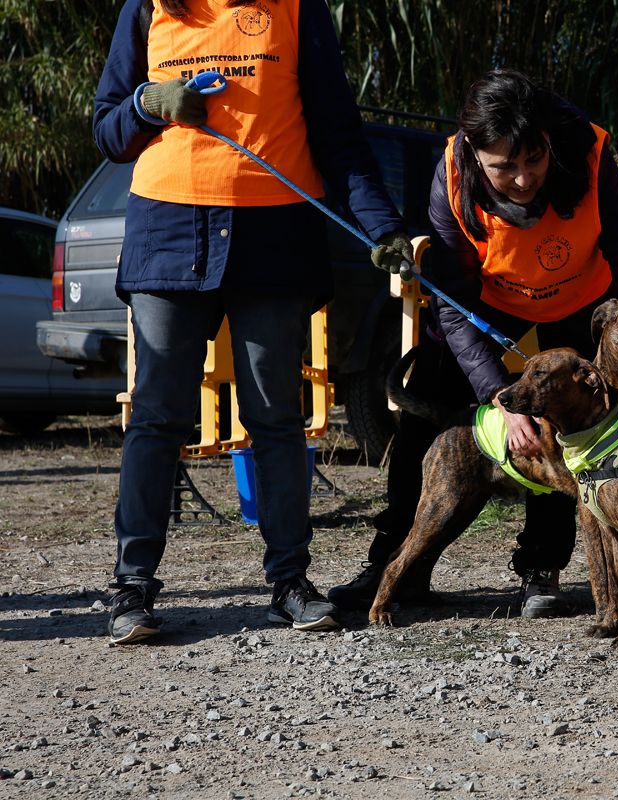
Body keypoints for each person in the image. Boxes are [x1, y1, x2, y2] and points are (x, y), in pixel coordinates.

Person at [94, 0, 412, 644]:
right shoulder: (148, 7)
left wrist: (383, 227)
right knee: (157, 415)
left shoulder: (295, 8)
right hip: (168, 235)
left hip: (275, 238)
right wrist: (147, 105)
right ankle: (132, 589)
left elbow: (338, 134)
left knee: (275, 416)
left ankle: (289, 583)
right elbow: (106, 131)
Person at [329, 69, 618, 618]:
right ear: (473, 152)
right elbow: (453, 307)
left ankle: (541, 570)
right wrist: (499, 398)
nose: (522, 179)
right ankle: (396, 567)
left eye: (533, 160)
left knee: (568, 433)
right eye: (503, 167)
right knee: (424, 422)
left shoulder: (590, 153)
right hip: (483, 307)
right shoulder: (451, 176)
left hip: (575, 303)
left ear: (548, 143)